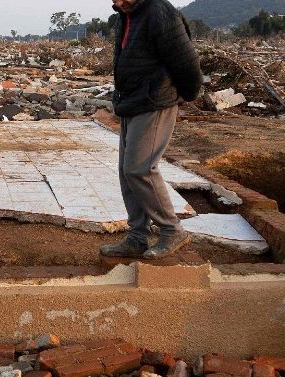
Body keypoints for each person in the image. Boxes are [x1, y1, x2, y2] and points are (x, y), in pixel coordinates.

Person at [100, 0, 204, 260]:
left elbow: (186, 60)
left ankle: (171, 230)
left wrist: (187, 94)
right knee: (128, 172)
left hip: (155, 101)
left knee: (141, 168)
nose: (116, 2)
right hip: (132, 101)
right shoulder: (127, 14)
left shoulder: (159, 12)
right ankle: (138, 236)